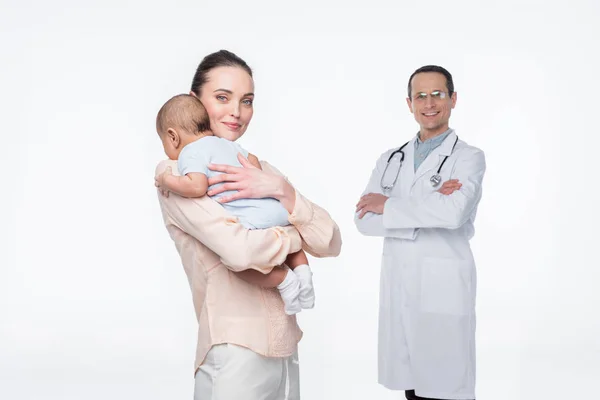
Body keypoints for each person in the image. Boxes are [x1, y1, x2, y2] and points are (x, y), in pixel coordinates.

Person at [154, 49, 342, 400]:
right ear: (194, 101)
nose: (236, 112)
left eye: (247, 100)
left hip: (286, 350)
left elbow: (330, 241)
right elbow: (239, 251)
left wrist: (282, 191)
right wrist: (292, 235)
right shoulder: (176, 172)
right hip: (235, 351)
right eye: (222, 97)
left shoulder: (259, 168)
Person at [354, 65, 486, 400]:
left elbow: (453, 213)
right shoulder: (391, 159)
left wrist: (390, 205)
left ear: (453, 99)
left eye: (438, 94)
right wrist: (428, 205)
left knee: (447, 385)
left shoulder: (468, 158)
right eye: (420, 96)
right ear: (409, 103)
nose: (429, 103)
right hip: (401, 286)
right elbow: (363, 220)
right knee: (413, 387)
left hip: (444, 286)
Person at [154, 93, 315, 315]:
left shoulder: (189, 153)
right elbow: (254, 162)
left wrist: (167, 180)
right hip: (273, 207)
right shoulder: (225, 144)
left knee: (236, 266)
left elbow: (196, 186)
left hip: (251, 220)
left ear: (173, 137)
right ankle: (304, 273)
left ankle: (285, 280)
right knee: (290, 243)